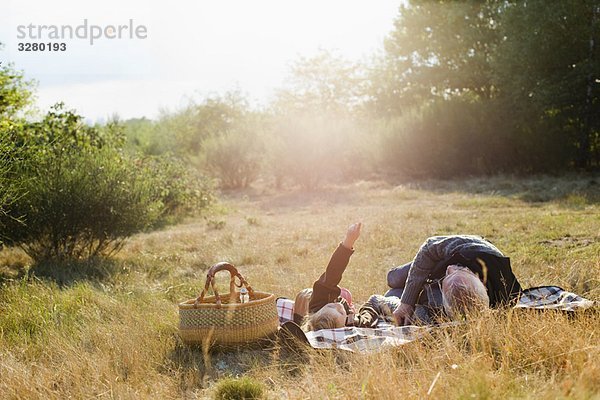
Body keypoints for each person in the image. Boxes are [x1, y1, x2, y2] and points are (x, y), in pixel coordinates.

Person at [388, 235, 522, 326]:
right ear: (480, 278)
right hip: (437, 258)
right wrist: (406, 302)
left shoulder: (501, 302)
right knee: (394, 279)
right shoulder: (467, 248)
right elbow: (429, 247)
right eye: (460, 269)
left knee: (391, 294)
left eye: (455, 271)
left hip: (441, 286)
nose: (450, 268)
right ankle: (412, 288)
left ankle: (420, 290)